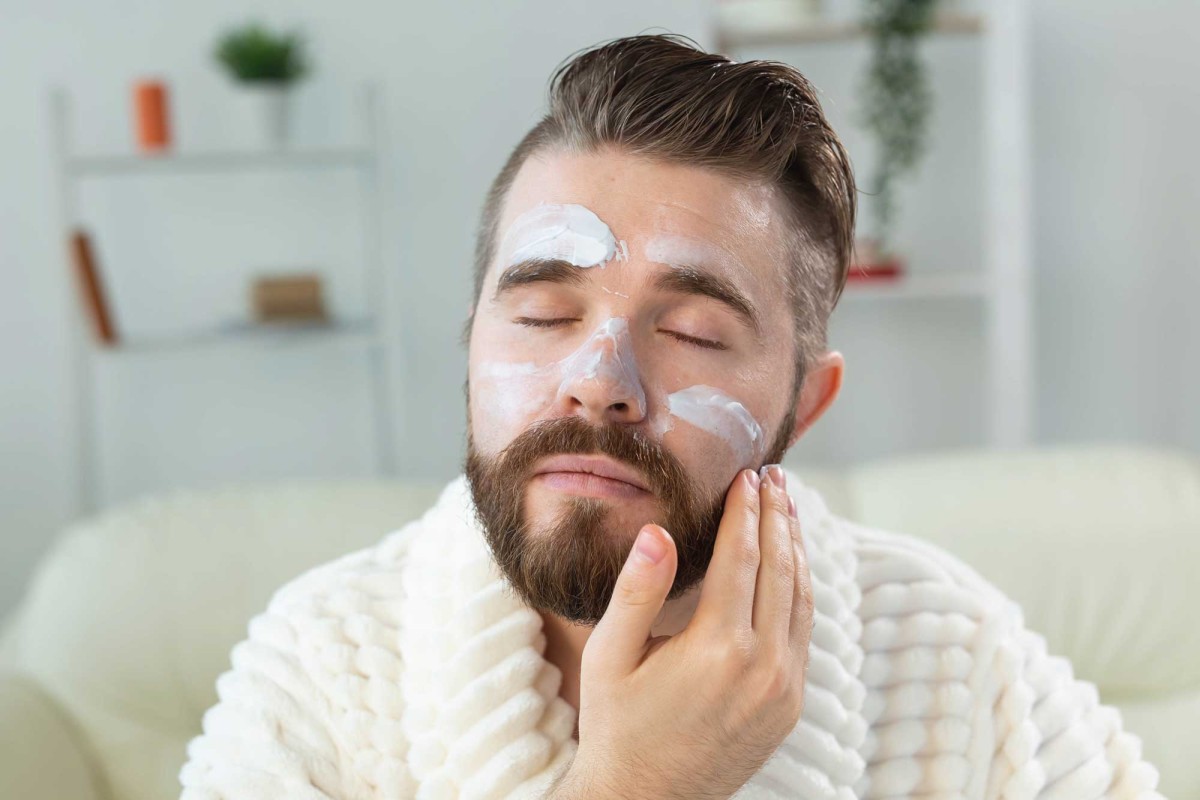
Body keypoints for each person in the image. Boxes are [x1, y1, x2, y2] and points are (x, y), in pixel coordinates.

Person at [178, 34, 1163, 799]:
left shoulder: (953, 656)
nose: (599, 379)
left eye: (692, 329)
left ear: (803, 404)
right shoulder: (320, 666)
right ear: (471, 350)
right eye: (542, 314)